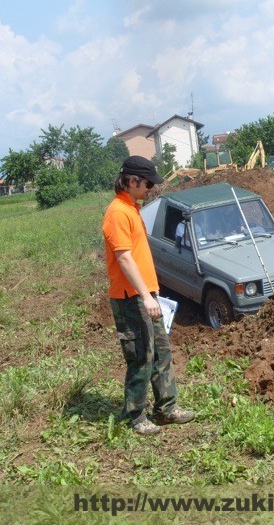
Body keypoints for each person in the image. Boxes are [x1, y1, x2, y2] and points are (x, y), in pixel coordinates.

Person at [102, 156, 194, 435]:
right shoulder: (117, 213)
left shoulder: (132, 208)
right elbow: (124, 258)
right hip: (131, 297)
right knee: (141, 355)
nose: (151, 188)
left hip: (145, 295)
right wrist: (146, 295)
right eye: (147, 183)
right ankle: (135, 416)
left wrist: (152, 293)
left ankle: (166, 408)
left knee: (161, 352)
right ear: (131, 182)